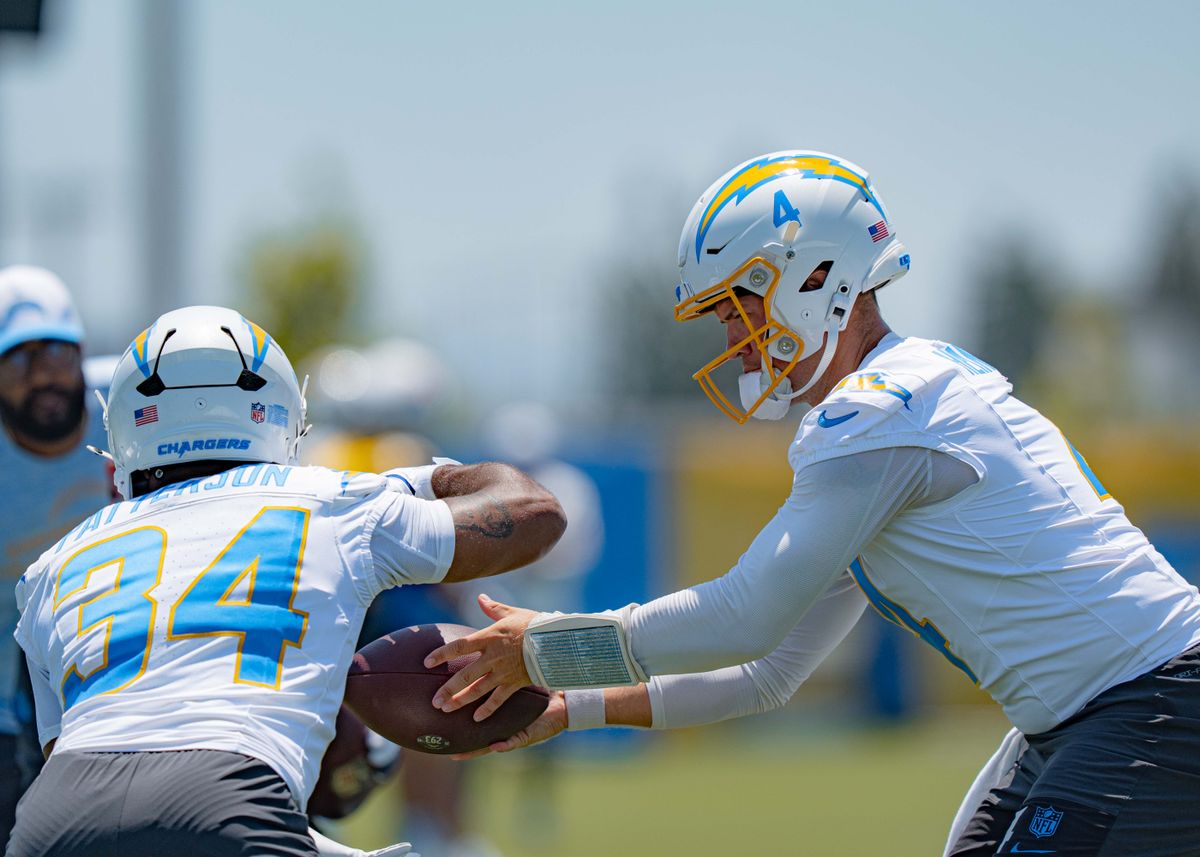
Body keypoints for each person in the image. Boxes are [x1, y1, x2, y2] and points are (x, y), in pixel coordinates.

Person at [425, 151, 1200, 856]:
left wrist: (546, 646)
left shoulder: (879, 411)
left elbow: (741, 617)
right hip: (1087, 713)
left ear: (814, 276)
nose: (733, 334)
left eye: (738, 303)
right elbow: (770, 671)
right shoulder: (894, 407)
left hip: (1150, 701)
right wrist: (573, 705)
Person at [10, 305, 566, 857]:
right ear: (278, 413)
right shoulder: (329, 504)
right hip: (231, 792)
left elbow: (84, 761)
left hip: (48, 821)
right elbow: (533, 510)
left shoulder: (50, 567)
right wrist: (423, 475)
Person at [0, 266, 115, 852]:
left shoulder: (135, 404)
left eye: (57, 353)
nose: (44, 374)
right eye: (19, 360)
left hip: (125, 660)